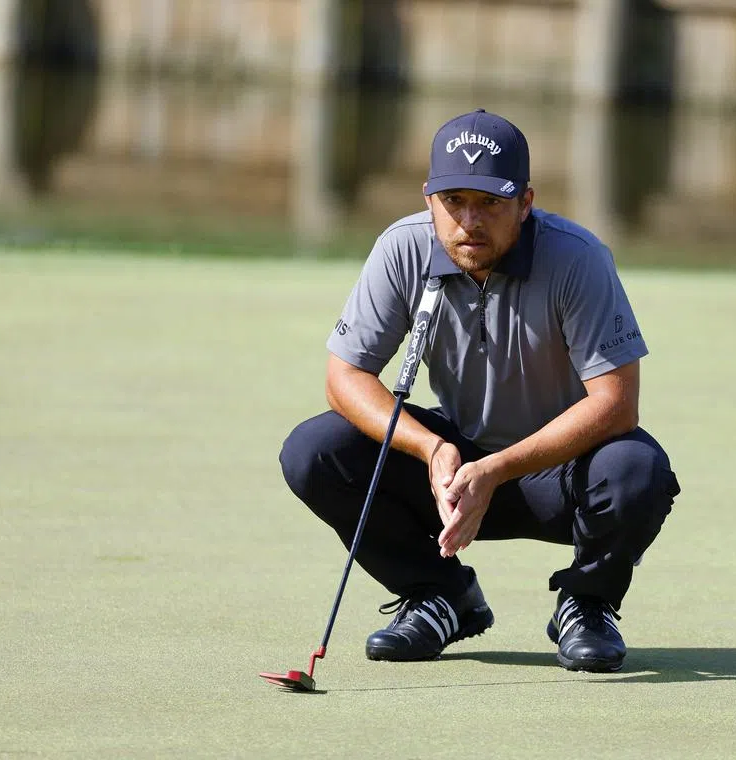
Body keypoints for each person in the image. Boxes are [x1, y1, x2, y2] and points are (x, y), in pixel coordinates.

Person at [280, 108, 679, 673]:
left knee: (638, 470)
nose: (470, 221)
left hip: (563, 468)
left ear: (526, 202)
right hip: (454, 467)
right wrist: (432, 449)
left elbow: (615, 403)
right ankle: (439, 596)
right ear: (429, 199)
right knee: (315, 451)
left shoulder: (577, 258)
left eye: (491, 203)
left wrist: (498, 469)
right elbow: (343, 379)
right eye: (454, 201)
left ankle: (586, 604)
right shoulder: (402, 249)